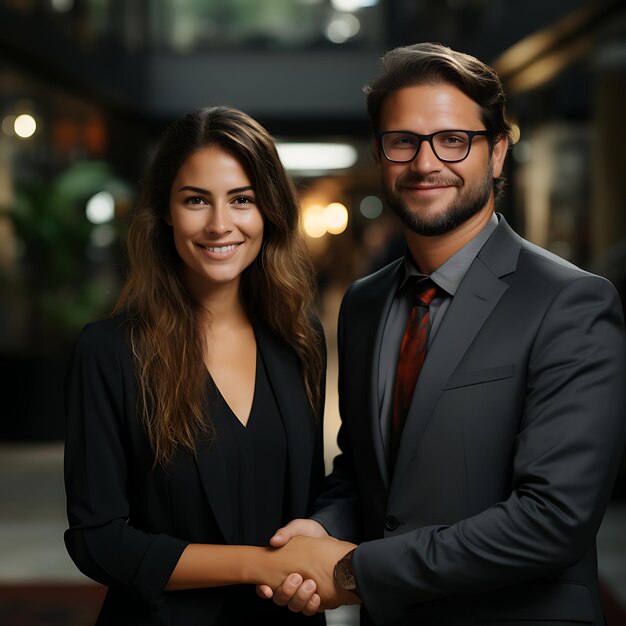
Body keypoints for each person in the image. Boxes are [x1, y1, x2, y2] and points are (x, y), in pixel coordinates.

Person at [259, 42, 626, 625]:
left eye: (453, 139)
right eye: (402, 140)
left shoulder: (570, 303)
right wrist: (320, 531)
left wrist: (353, 571)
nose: (426, 162)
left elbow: (552, 519)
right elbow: (364, 472)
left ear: (498, 152)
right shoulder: (364, 304)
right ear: (381, 155)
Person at [63, 105, 342, 625]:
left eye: (242, 200)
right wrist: (258, 565)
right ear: (166, 210)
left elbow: (310, 494)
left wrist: (317, 545)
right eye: (196, 200)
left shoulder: (299, 338)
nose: (220, 225)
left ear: (269, 213)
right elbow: (97, 539)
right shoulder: (108, 353)